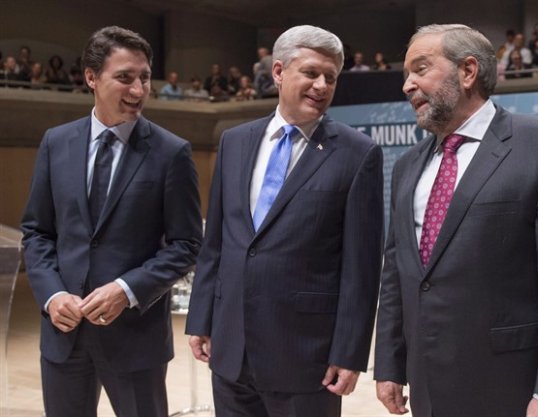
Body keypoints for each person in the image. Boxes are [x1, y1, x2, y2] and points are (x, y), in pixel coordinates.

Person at [374, 24, 538, 417]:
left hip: (510, 385)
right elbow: (397, 271)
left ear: (468, 71)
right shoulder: (408, 166)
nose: (407, 85)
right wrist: (390, 364)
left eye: (420, 69)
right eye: (406, 75)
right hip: (426, 385)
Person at [186, 24, 383, 417]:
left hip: (307, 358)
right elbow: (218, 242)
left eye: (331, 77)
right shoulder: (234, 141)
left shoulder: (358, 154)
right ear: (278, 72)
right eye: (311, 73)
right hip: (231, 349)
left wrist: (349, 352)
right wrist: (201, 317)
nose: (322, 85)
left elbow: (361, 269)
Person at [20, 26, 202, 417]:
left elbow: (187, 244)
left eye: (144, 78)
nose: (138, 90)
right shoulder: (56, 142)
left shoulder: (172, 153)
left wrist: (126, 289)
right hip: (63, 333)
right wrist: (52, 295)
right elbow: (37, 232)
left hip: (135, 338)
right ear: (91, 77)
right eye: (124, 78)